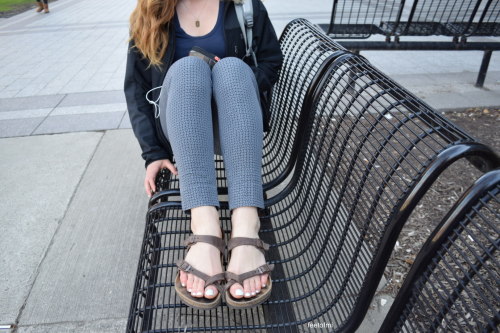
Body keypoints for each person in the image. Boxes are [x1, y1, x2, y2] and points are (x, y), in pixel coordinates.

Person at [124, 0, 283, 310]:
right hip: (183, 131)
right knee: (187, 68)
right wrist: (152, 153)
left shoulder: (245, 6)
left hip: (235, 127)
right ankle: (205, 225)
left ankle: (246, 222)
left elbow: (270, 60)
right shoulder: (151, 10)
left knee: (232, 68)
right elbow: (136, 87)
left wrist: (229, 84)